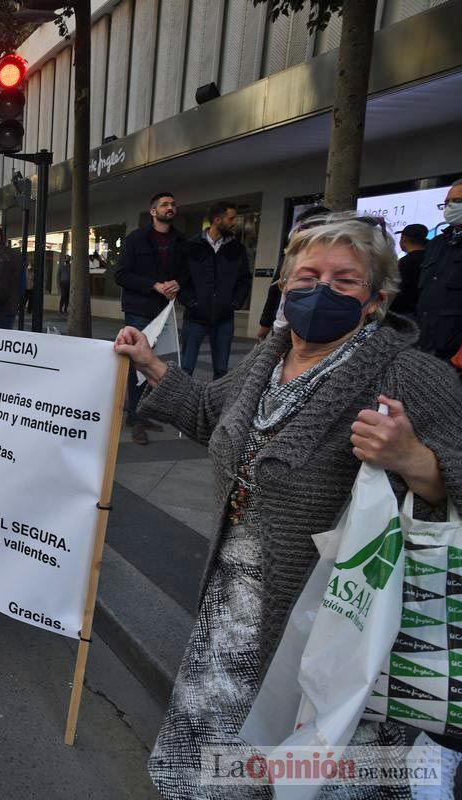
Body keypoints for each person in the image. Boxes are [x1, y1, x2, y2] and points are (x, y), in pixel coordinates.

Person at [115, 213, 462, 799]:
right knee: (225, 728)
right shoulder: (267, 359)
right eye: (307, 276)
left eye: (344, 281)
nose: (321, 289)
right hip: (237, 598)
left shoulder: (407, 373)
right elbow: (208, 415)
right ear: (284, 287)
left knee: (310, 749)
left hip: (335, 615)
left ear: (375, 300)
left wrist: (412, 458)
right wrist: (152, 365)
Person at [114, 191, 183, 445]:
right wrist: (153, 285)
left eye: (173, 204)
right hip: (139, 310)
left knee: (156, 363)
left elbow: (185, 274)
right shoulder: (135, 239)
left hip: (164, 312)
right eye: (165, 204)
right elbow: (120, 275)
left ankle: (142, 414)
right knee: (137, 365)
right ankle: (136, 417)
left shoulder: (179, 240)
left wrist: (178, 284)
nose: (170, 207)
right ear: (153, 211)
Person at [178, 201, 251, 379]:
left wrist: (234, 302)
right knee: (186, 367)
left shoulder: (237, 249)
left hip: (224, 318)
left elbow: (244, 279)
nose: (234, 222)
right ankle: (182, 403)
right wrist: (191, 302)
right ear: (217, 220)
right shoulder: (191, 246)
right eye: (231, 218)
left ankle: (215, 406)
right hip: (194, 317)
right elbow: (180, 280)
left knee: (221, 370)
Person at [257, 205, 331, 341]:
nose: (296, 234)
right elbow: (274, 289)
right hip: (281, 324)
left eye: (301, 229)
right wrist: (266, 323)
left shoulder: (330, 262)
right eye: (297, 229)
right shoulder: (289, 256)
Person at [415, 179, 462, 366]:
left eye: (457, 201)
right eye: (447, 202)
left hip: (455, 355)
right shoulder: (437, 243)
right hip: (425, 347)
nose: (450, 207)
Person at [390, 223, 428, 316]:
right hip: (424, 311)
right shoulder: (431, 259)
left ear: (404, 239)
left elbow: (397, 290)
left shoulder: (404, 262)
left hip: (404, 313)